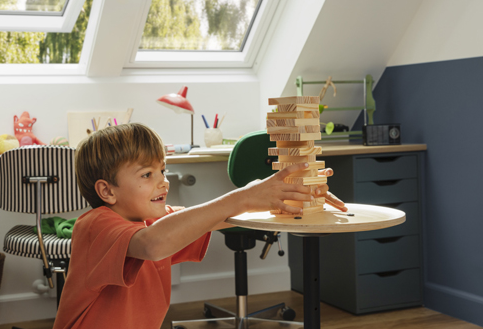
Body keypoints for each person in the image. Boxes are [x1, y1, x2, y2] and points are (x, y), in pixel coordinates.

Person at [52, 123, 346, 329]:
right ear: (107, 191)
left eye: (163, 170)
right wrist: (245, 197)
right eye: (147, 174)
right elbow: (153, 244)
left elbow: (210, 218)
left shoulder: (155, 220)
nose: (163, 181)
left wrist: (281, 198)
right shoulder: (95, 225)